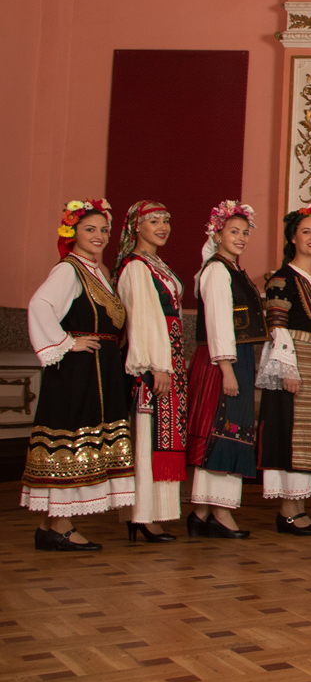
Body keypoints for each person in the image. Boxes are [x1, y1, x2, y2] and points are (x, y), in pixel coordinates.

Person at [23, 198, 133, 550]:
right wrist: (66, 342)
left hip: (98, 371)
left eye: (103, 230)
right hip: (77, 373)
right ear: (73, 232)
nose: (99, 236)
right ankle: (61, 526)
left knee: (84, 440)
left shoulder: (95, 271)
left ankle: (48, 525)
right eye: (90, 229)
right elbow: (39, 305)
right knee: (71, 442)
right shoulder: (69, 269)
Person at [254, 204, 311, 536]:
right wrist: (287, 368)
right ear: (292, 237)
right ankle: (287, 509)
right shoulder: (281, 279)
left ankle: (300, 506)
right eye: (306, 231)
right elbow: (277, 325)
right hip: (295, 358)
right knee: (291, 428)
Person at [186, 200, 262, 539]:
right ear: (217, 235)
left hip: (236, 357)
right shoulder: (216, 270)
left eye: (245, 233)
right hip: (223, 359)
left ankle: (202, 513)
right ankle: (220, 513)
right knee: (225, 429)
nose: (242, 238)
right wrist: (227, 369)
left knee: (232, 429)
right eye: (234, 231)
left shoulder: (232, 269)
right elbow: (218, 324)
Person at [116, 200, 188, 543]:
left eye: (165, 220)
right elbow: (143, 319)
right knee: (147, 433)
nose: (162, 226)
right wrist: (157, 366)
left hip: (170, 356)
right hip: (154, 362)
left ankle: (153, 513)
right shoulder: (135, 266)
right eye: (153, 221)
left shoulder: (157, 264)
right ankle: (142, 515)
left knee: (162, 433)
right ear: (136, 227)